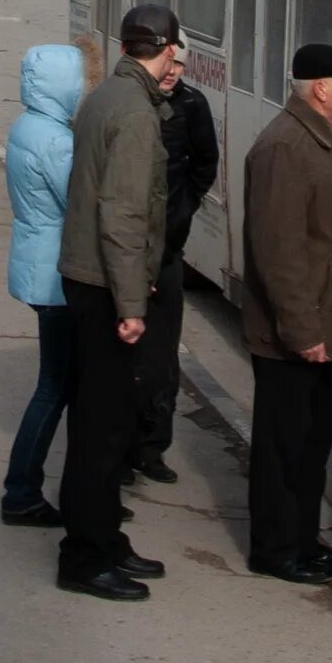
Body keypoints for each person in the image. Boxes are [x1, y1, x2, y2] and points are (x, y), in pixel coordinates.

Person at [52, 4, 182, 601]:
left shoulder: (108, 95)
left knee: (100, 423)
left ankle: (103, 538)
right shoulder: (134, 112)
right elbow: (124, 213)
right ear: (166, 47)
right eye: (176, 47)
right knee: (102, 430)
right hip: (105, 286)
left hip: (89, 277)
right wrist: (132, 304)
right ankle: (84, 556)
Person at [241, 42, 332, 583]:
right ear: (321, 89)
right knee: (283, 447)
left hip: (326, 327)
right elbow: (280, 251)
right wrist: (301, 329)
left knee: (312, 446)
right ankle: (275, 549)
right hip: (297, 334)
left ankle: (302, 538)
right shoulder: (285, 148)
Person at [0, 42, 90, 527]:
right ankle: (22, 491)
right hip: (56, 272)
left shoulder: (31, 124)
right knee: (54, 387)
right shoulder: (55, 140)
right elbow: (79, 199)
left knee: (56, 383)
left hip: (37, 261)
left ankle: (26, 488)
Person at [128, 68, 217, 485]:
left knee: (162, 358)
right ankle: (120, 448)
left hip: (167, 254)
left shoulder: (193, 104)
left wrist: (182, 213)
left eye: (180, 64)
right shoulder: (131, 103)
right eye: (168, 61)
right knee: (124, 355)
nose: (173, 72)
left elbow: (205, 165)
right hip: (128, 253)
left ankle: (151, 447)